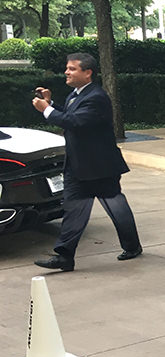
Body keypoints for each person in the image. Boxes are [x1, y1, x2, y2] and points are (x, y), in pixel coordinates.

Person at [31, 52, 141, 272]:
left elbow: (75, 122)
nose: (67, 72)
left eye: (72, 69)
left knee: (115, 205)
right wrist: (51, 104)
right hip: (78, 166)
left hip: (99, 166)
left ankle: (132, 246)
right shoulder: (77, 94)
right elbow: (69, 114)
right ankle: (65, 256)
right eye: (67, 68)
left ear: (88, 72)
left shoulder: (96, 97)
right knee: (74, 210)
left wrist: (46, 110)